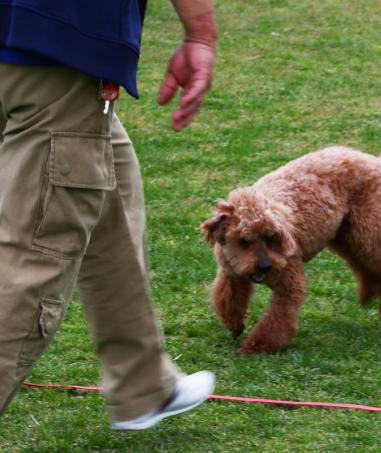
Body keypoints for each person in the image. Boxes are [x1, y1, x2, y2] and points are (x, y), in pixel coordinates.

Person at [0, 0, 218, 430]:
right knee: (34, 259)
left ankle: (145, 384)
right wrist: (200, 34)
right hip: (52, 47)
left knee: (108, 171)